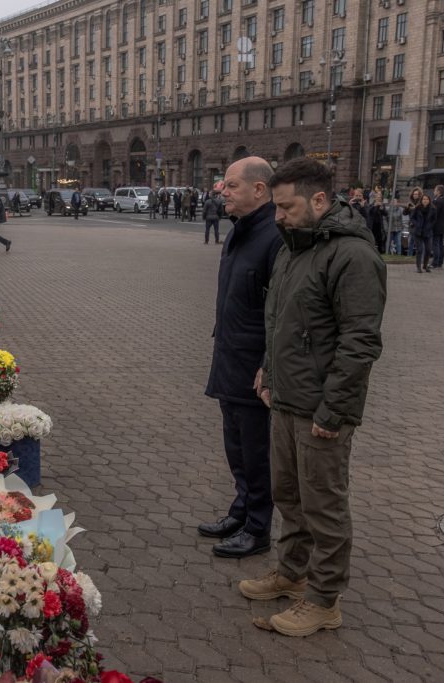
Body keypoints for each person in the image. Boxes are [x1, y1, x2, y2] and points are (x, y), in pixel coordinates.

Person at [243, 157, 386, 637]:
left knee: (324, 506)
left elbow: (360, 342)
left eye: (286, 207)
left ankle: (324, 600)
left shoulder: (352, 256)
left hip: (321, 409)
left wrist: (334, 409)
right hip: (287, 399)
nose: (278, 216)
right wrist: (268, 369)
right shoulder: (294, 246)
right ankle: (292, 574)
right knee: (288, 495)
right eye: (276, 206)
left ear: (319, 200)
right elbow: (279, 320)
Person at [199, 156, 283, 559]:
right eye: (224, 185)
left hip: (254, 367)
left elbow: (281, 311)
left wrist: (268, 363)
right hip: (230, 356)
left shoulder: (275, 237)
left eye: (231, 185)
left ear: (259, 190)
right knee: (236, 446)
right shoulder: (239, 231)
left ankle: (258, 527)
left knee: (256, 450)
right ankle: (241, 511)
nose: (223, 192)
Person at [411, 194, 436, 273]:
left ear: (429, 200)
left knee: (428, 250)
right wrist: (416, 224)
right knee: (420, 249)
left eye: (427, 199)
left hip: (427, 232)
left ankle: (425, 265)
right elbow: (412, 217)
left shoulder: (433, 209)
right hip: (418, 231)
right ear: (421, 200)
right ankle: (418, 267)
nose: (425, 201)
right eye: (424, 199)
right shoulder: (417, 208)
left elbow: (434, 219)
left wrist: (430, 226)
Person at [432, 185, 444, 268]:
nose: (434, 191)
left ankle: (435, 262)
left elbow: (435, 214)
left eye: (435, 190)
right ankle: (440, 262)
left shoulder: (437, 201)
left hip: (437, 226)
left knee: (435, 244)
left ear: (438, 192)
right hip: (443, 226)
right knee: (441, 244)